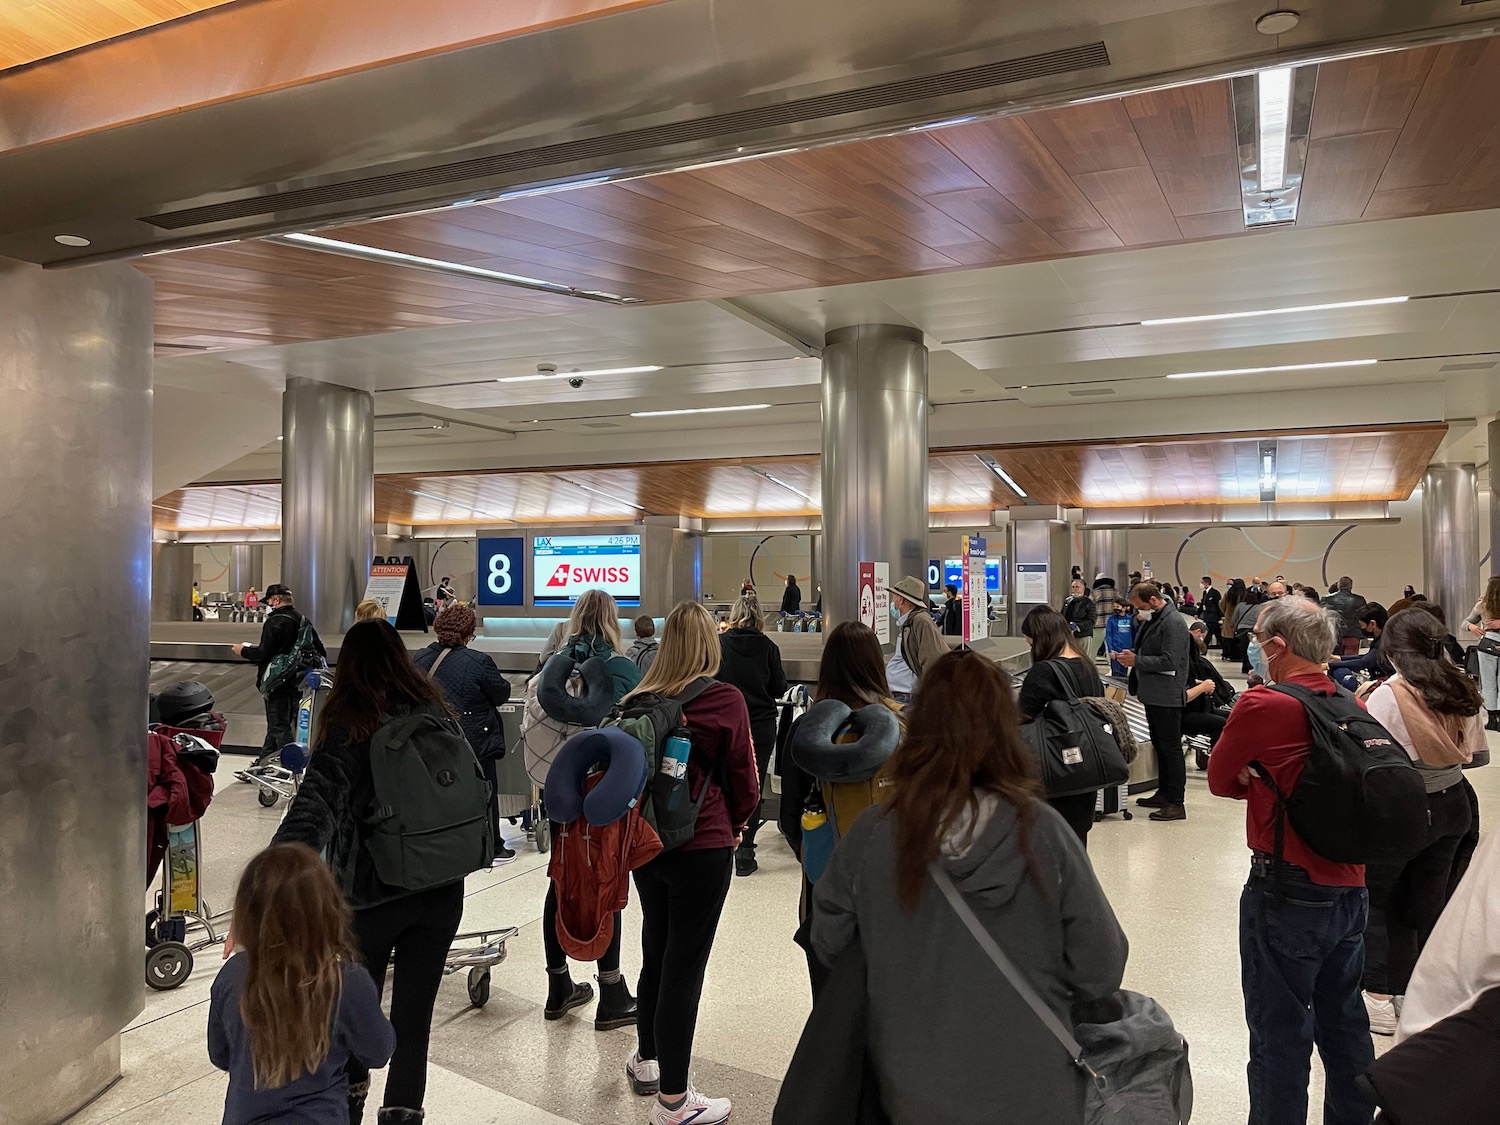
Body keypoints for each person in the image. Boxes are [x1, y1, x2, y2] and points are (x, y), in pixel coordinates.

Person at [810, 648, 1128, 1125]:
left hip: (912, 1077)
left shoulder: (875, 833)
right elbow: (1101, 964)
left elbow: (828, 938)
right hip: (1036, 1075)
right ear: (1005, 726)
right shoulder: (1041, 830)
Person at [271, 619, 468, 1125]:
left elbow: (315, 807)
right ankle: (404, 1112)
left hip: (368, 896)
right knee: (414, 1018)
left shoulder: (351, 720)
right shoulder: (435, 710)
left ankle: (350, 1107)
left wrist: (269, 885)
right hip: (440, 889)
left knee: (356, 1010)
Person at [1207, 596, 1374, 1125]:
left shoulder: (1264, 706)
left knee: (1279, 1031)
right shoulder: (1350, 703)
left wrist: (1258, 778)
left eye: (1258, 639)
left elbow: (1219, 779)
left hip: (1286, 888)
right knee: (1345, 1024)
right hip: (1352, 887)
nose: (1254, 648)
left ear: (1277, 646)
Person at [623, 602, 758, 1125]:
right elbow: (744, 777)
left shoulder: (637, 698)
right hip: (702, 846)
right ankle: (675, 1102)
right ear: (709, 644)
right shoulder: (724, 699)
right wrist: (738, 824)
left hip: (646, 845)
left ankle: (648, 1059)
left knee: (656, 948)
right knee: (686, 968)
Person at [1359, 608, 1482, 1035]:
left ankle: (1376, 996)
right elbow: (1480, 755)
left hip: (1407, 806)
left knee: (1376, 897)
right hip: (1454, 802)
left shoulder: (1389, 694)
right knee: (1429, 899)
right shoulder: (1461, 686)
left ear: (1392, 648)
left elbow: (1374, 760)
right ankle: (1415, 991)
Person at [211, 843, 395, 1125]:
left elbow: (220, 1054)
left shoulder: (233, 974)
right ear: (327, 908)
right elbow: (379, 1051)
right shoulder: (345, 982)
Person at [778, 621, 904, 991]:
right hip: (894, 888)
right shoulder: (903, 726)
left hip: (826, 888)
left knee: (830, 1005)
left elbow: (789, 816)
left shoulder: (808, 733)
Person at [540, 589, 643, 1025]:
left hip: (557, 784)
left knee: (560, 876)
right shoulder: (621, 668)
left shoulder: (554, 663)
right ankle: (612, 991)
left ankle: (558, 986)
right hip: (604, 787)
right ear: (612, 620)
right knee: (606, 876)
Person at [413, 602, 515, 866]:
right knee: (484, 789)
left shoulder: (421, 658)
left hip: (430, 737)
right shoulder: (478, 661)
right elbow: (501, 693)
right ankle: (492, 845)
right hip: (473, 739)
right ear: (469, 631)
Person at [1018, 605, 1104, 846]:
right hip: (1086, 766)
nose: (1031, 648)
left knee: (1050, 846)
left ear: (1040, 639)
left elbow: (1022, 717)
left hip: (1054, 770)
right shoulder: (1088, 666)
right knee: (1077, 841)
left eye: (1030, 642)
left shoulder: (1044, 672)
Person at [717, 596, 788, 876]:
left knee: (724, 780)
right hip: (760, 723)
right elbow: (779, 687)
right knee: (753, 786)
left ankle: (723, 842)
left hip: (726, 721)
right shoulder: (768, 647)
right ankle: (746, 854)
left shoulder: (721, 644)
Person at [1117, 582, 1192, 822]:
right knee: (1161, 745)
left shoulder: (1173, 622)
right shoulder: (1156, 618)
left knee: (1171, 749)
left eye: (1140, 606)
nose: (1138, 612)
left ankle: (1176, 802)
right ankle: (1164, 792)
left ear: (1153, 600)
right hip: (1153, 693)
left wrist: (1137, 661)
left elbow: (1170, 660)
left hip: (1167, 695)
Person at [232, 584, 326, 770]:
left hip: (277, 681)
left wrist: (243, 650)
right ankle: (262, 764)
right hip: (297, 680)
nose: (269, 605)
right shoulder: (303, 620)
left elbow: (263, 653)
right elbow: (320, 649)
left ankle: (289, 765)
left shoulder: (274, 622)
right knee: (279, 723)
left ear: (276, 600)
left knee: (279, 726)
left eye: (269, 601)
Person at [883, 574, 945, 704]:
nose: (892, 602)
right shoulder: (909, 623)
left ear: (900, 600)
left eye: (893, 597)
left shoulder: (920, 622)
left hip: (908, 698)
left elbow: (932, 659)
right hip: (901, 696)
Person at [1182, 620, 1229, 758]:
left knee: (1233, 717)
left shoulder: (1189, 665)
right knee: (1219, 723)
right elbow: (1180, 695)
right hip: (1183, 713)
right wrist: (1202, 687)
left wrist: (1198, 683)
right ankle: (1217, 758)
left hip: (1197, 706)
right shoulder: (1183, 665)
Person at [1463, 575, 1500, 731]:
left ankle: (1492, 718)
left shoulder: (1482, 605)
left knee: (1488, 682)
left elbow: (1465, 623)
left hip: (1487, 646)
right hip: (1492, 645)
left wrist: (1472, 627)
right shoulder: (1482, 604)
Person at [1328, 602, 1387, 691]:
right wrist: (1339, 658)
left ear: (1372, 624)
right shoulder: (1385, 637)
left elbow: (1363, 662)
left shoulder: (1383, 642)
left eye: (1362, 626)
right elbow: (1369, 657)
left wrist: (1329, 665)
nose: (1362, 629)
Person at [1322, 575, 1367, 658]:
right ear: (1351, 586)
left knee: (1333, 661)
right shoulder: (1360, 600)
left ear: (1338, 585)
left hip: (1334, 635)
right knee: (1350, 661)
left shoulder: (1327, 599)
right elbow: (1364, 617)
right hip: (1353, 635)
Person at [1061, 578, 1096, 647]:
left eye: (1077, 587)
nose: (1075, 589)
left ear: (1083, 588)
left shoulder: (1088, 603)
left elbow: (1091, 620)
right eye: (1073, 587)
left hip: (1083, 635)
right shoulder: (1068, 601)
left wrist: (1078, 626)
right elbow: (1062, 615)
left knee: (1082, 656)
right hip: (1069, 635)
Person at [1199, 576, 1223, 649]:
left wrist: (1221, 616)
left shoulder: (1215, 593)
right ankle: (1225, 649)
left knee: (1209, 633)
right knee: (1218, 634)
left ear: (1206, 583)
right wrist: (1197, 613)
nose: (1201, 584)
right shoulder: (1205, 593)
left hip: (1213, 617)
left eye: (1202, 582)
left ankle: (1203, 648)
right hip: (1208, 616)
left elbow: (1218, 605)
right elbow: (1203, 604)